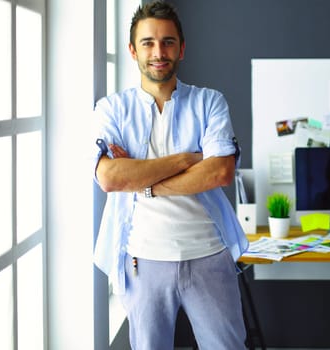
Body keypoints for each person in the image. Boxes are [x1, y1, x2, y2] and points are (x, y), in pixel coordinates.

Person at [90, 1, 248, 349]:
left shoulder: (210, 102)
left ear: (182, 48)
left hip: (209, 254)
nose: (158, 52)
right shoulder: (111, 110)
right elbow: (111, 178)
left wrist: (144, 183)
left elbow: (220, 171)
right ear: (133, 50)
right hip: (142, 261)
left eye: (167, 41)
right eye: (148, 42)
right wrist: (188, 160)